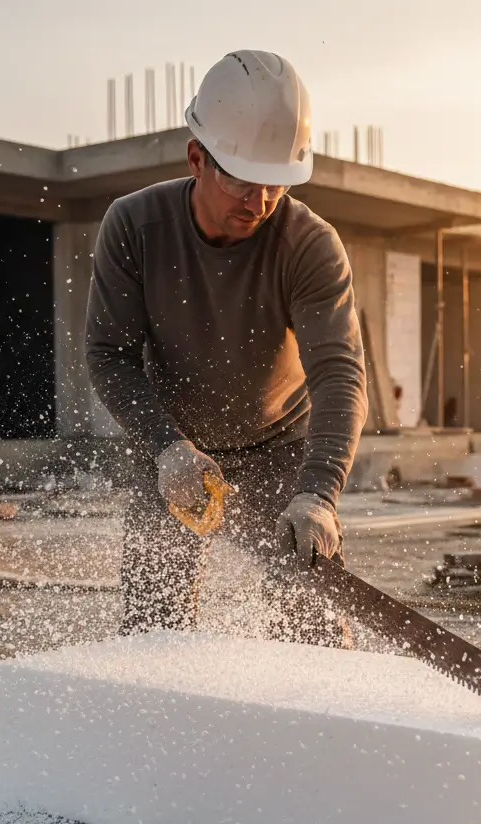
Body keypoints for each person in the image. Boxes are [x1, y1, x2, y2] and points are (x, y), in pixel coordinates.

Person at [84, 50, 368, 643]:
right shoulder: (134, 227)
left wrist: (318, 491)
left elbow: (339, 375)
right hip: (174, 448)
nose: (260, 201)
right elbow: (108, 354)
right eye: (242, 178)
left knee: (309, 619)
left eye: (276, 183)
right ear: (196, 158)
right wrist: (167, 449)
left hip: (278, 450)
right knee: (152, 626)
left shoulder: (309, 245)